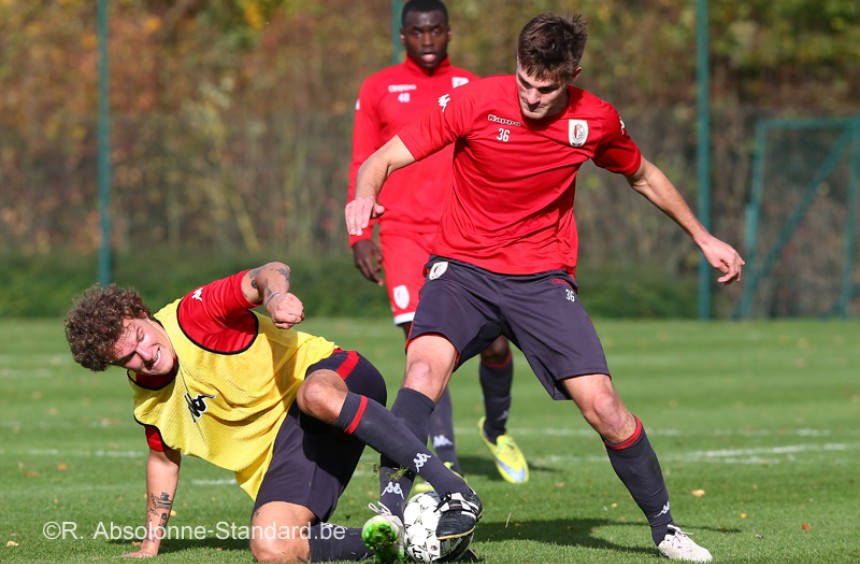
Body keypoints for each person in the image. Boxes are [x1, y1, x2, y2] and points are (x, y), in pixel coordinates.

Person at [345, 12, 746, 562]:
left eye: (547, 88)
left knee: (605, 407)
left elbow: (644, 175)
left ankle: (666, 529)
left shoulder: (596, 119)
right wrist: (364, 197)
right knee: (421, 370)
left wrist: (703, 237)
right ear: (516, 66)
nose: (532, 98)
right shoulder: (475, 101)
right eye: (525, 83)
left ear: (571, 75)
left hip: (541, 280)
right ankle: (389, 510)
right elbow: (383, 157)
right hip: (462, 271)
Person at [63, 261, 481, 563]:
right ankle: (419, 545)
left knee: (312, 395)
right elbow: (162, 459)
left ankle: (453, 489)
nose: (144, 355)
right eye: (128, 359)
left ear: (140, 313)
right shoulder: (148, 401)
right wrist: (150, 545)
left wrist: (276, 298)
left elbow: (266, 272)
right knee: (272, 546)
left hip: (334, 380)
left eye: (139, 337)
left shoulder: (193, 316)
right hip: (294, 441)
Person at [347, 0, 529, 487]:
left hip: (464, 233)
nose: (427, 40)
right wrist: (360, 232)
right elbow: (364, 158)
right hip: (403, 231)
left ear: (449, 33)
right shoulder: (378, 87)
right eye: (417, 32)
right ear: (403, 36)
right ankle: (442, 458)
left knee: (493, 344)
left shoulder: (472, 87)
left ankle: (496, 429)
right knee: (423, 346)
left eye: (435, 31)